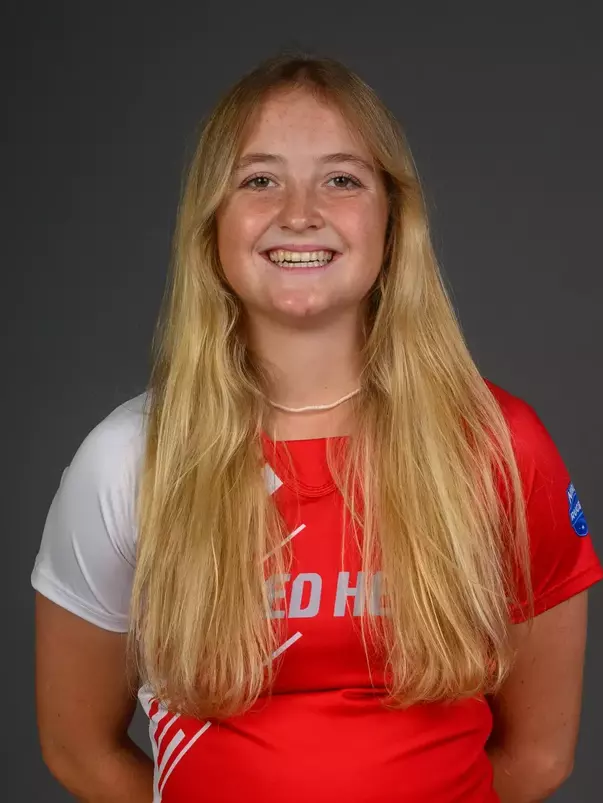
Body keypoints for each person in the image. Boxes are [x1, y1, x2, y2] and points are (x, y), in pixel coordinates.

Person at [32, 53, 602, 803]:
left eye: (341, 178)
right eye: (258, 179)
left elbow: (537, 755)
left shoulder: (499, 443)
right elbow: (78, 748)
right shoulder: (129, 458)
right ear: (211, 224)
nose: (299, 211)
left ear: (393, 221)